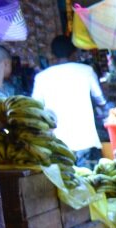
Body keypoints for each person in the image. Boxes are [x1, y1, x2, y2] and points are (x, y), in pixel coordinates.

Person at [31, 36, 106, 166]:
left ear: (52, 54)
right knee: (90, 182)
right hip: (86, 140)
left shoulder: (42, 77)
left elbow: (34, 107)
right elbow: (100, 100)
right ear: (74, 52)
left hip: (57, 143)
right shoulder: (86, 71)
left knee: (65, 183)